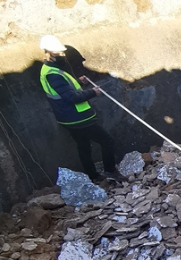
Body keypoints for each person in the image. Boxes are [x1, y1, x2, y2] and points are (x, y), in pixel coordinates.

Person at [39, 35, 125, 183]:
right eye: (58, 53)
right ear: (48, 53)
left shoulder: (51, 70)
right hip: (78, 118)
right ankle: (110, 171)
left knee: (84, 146)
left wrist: (79, 82)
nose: (62, 55)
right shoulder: (53, 74)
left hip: (70, 118)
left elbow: (65, 90)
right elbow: (71, 98)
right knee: (107, 141)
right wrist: (93, 92)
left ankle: (93, 176)